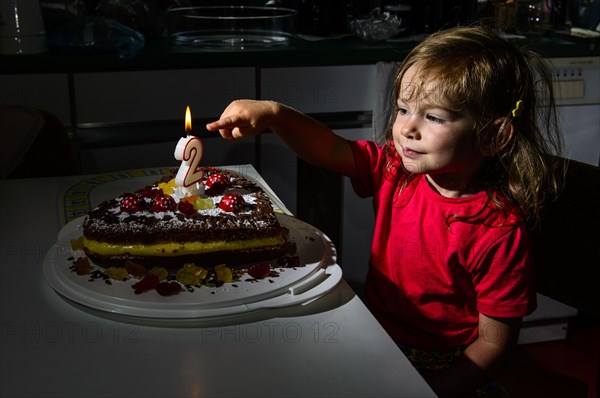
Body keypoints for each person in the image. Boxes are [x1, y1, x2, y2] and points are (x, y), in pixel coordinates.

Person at [206, 25, 564, 397]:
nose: (407, 128)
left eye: (435, 117)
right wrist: (276, 115)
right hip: (375, 337)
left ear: (493, 136)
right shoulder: (394, 171)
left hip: (446, 369)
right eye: (404, 109)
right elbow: (329, 150)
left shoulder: (498, 231)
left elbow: (494, 346)